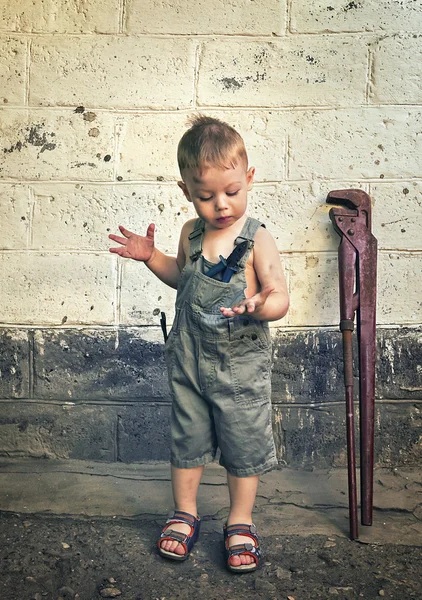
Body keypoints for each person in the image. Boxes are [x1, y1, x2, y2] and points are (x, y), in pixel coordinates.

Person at [109, 115, 289, 573]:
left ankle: (240, 521)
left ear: (248, 179)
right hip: (189, 361)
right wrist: (152, 257)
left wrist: (262, 305)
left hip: (240, 367)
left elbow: (279, 297)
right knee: (186, 440)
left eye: (231, 192)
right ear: (186, 190)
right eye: (206, 196)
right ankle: (185, 512)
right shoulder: (190, 234)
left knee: (243, 445)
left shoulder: (257, 240)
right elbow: (182, 280)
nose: (221, 205)